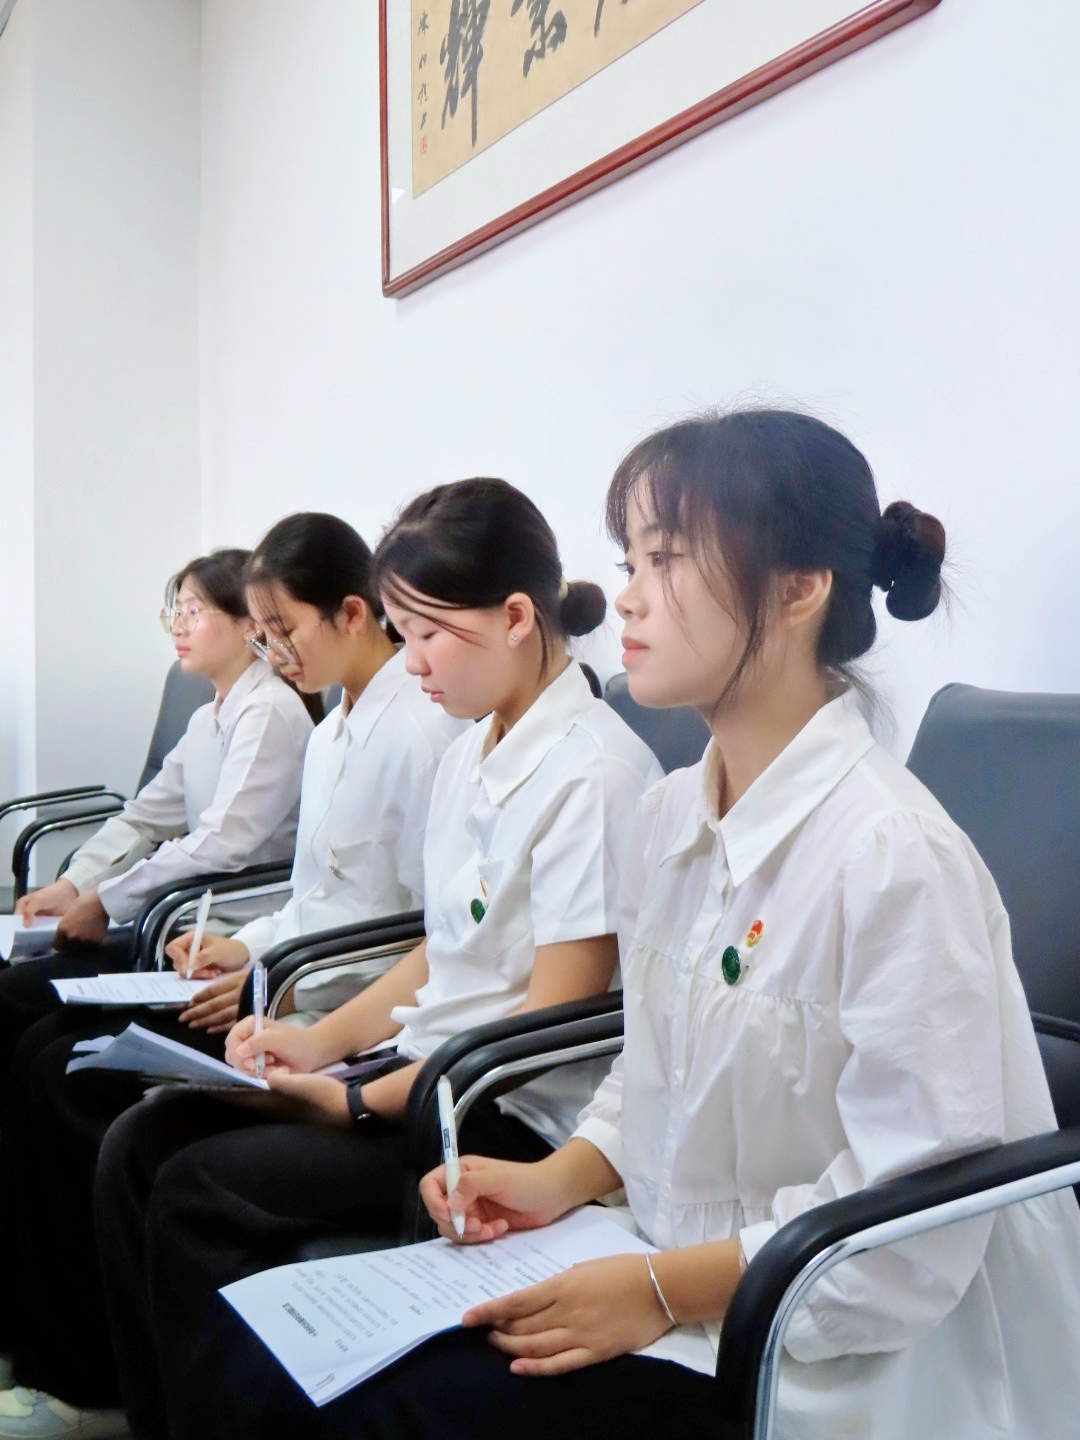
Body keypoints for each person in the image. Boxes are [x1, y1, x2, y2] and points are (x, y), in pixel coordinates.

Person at [198, 411, 1080, 1440]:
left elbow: (906, 1243)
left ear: (799, 588)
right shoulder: (669, 817)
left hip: (833, 1353)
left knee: (377, 1404)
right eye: (630, 562)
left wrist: (660, 1289)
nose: (627, 597)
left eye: (667, 560)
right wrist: (554, 1182)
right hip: (669, 1267)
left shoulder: (894, 856)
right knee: (282, 1356)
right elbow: (655, 1068)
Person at [86, 477, 662, 1440]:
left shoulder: (594, 775)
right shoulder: (472, 749)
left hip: (497, 1113)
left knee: (193, 1188)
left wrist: (354, 1100)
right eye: (404, 629)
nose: (413, 659)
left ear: (517, 618)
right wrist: (321, 1049)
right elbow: (441, 949)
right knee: (146, 1137)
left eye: (429, 632)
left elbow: (545, 1023)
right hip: (423, 1073)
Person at [0, 512, 469, 1439]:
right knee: (48, 1049)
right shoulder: (335, 729)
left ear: (351, 613)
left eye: (282, 631)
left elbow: (423, 931)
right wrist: (241, 947)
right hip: (283, 982)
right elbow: (310, 895)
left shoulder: (424, 734)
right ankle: (65, 1348)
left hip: (336, 1006)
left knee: (70, 1078)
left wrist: (276, 979)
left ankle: (96, 1373)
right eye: (263, 636)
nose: (274, 654)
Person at [0, 550, 312, 1089]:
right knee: (22, 1004)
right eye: (176, 612)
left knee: (34, 1028)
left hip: (226, 932)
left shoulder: (268, 712)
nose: (179, 627)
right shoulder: (208, 717)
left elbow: (221, 843)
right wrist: (74, 885)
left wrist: (106, 900)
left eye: (194, 611)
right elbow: (144, 817)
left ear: (248, 624)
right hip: (178, 923)